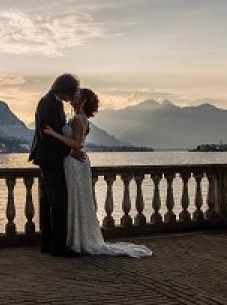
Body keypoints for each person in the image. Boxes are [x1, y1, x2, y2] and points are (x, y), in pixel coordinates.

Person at [43, 88, 152, 258]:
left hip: (75, 164)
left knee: (76, 198)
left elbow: (77, 144)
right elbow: (75, 146)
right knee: (76, 199)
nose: (73, 98)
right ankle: (76, 238)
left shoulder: (79, 119)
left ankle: (78, 240)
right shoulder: (78, 118)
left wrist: (53, 134)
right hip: (74, 162)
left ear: (84, 101)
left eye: (77, 96)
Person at [29, 74, 85, 257]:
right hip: (49, 158)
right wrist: (69, 151)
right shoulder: (47, 102)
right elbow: (45, 134)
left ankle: (48, 242)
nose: (72, 97)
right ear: (65, 90)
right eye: (72, 92)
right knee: (59, 201)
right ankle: (58, 245)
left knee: (48, 202)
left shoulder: (54, 102)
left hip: (49, 158)